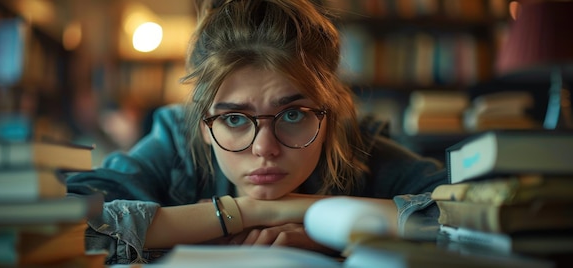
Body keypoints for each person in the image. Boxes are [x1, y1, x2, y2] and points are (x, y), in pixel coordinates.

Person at [67, 0, 447, 264]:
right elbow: (59, 227)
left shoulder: (358, 146)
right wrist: (238, 213)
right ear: (202, 125)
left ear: (328, 116)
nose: (265, 149)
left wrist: (321, 221)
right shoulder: (175, 144)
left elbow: (482, 211)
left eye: (294, 114)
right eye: (234, 119)